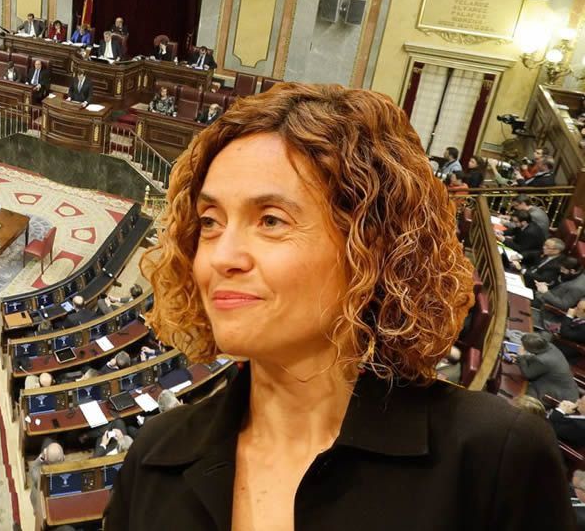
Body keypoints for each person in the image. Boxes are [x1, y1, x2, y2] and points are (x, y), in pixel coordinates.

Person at [106, 82, 571, 529]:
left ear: (369, 246)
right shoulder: (154, 458)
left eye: (271, 220)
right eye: (210, 222)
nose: (221, 256)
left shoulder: (493, 461)